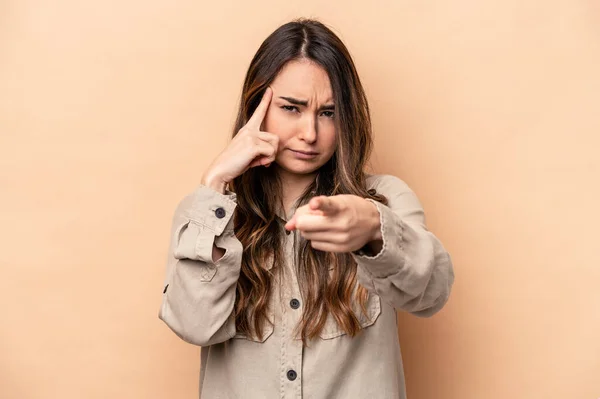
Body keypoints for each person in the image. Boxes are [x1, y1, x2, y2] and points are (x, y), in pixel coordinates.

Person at [158, 18, 455, 399]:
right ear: (257, 108)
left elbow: (431, 294)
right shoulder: (207, 214)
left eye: (327, 113)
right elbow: (192, 324)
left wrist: (374, 231)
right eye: (291, 108)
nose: (310, 133)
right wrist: (214, 182)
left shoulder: (385, 199)